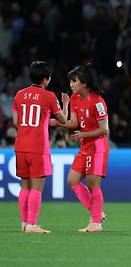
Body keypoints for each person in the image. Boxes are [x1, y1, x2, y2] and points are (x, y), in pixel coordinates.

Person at [14, 61, 68, 233]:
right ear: (45, 79)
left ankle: (24, 223)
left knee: (24, 187)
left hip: (21, 145)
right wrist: (65, 104)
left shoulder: (19, 95)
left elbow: (16, 122)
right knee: (37, 188)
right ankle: (32, 224)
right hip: (38, 148)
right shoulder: (49, 96)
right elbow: (63, 120)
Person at [57, 64, 110, 232]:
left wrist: (83, 135)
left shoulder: (98, 102)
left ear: (84, 83)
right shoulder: (74, 98)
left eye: (74, 81)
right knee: (72, 180)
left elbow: (104, 129)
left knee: (93, 184)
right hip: (85, 145)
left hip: (97, 145)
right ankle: (97, 213)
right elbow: (73, 123)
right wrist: (57, 121)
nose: (71, 84)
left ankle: (96, 223)